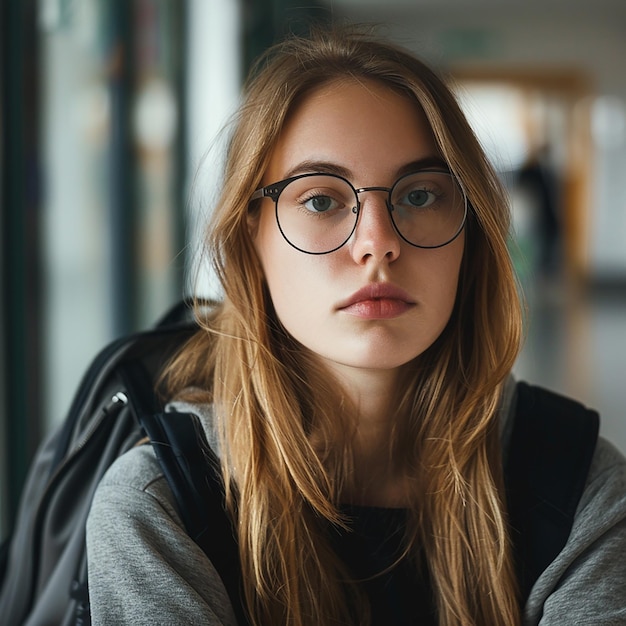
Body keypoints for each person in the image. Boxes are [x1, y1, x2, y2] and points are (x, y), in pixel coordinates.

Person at [85, 26, 626, 626]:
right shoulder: (160, 506)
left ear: (470, 238)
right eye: (321, 199)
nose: (378, 244)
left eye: (420, 196)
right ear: (250, 240)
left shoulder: (580, 486)